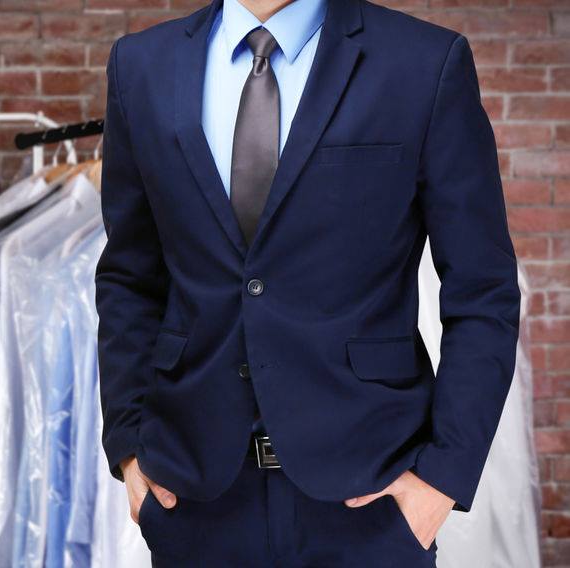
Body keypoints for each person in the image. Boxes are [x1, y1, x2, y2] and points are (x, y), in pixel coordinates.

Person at [94, 0, 521, 565]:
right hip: (194, 501)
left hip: (369, 503)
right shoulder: (141, 66)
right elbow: (129, 277)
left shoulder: (422, 62)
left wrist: (440, 482)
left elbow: (484, 290)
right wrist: (127, 446)